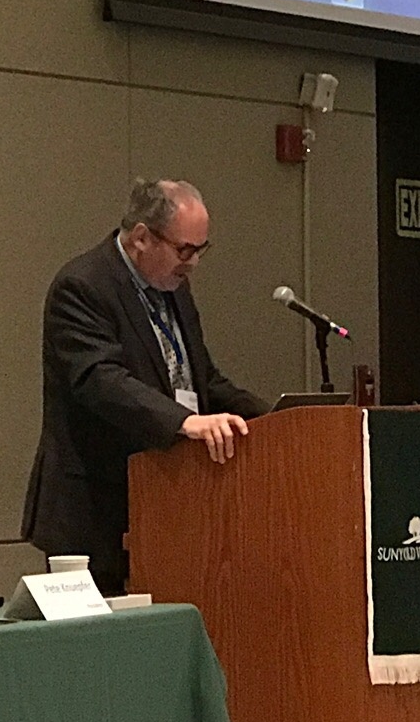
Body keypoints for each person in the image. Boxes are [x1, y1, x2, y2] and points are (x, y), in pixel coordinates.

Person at [23, 178, 265, 597]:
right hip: (95, 513)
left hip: (164, 506)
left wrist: (274, 417)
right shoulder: (82, 286)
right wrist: (184, 422)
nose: (193, 263)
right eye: (185, 250)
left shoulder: (174, 289)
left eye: (201, 250)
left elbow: (202, 380)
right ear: (141, 238)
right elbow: (102, 380)